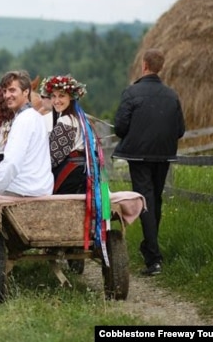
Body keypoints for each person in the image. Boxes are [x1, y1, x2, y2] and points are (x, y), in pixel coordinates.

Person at [113, 48, 185, 276]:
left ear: (144, 65)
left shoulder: (132, 93)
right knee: (156, 199)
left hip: (139, 156)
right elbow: (180, 130)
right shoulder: (172, 95)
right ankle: (150, 249)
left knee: (145, 201)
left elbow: (121, 127)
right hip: (164, 155)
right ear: (160, 67)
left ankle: (154, 259)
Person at [0, 70, 54, 206]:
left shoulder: (19, 120)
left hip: (25, 190)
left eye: (12, 90)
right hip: (43, 187)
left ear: (26, 91)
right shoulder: (37, 117)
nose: (7, 95)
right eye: (4, 92)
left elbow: (12, 162)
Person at [39, 74, 102, 195]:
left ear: (71, 98)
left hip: (71, 174)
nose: (56, 101)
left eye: (61, 96)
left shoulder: (67, 121)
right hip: (83, 171)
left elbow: (53, 157)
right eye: (53, 96)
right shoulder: (80, 118)